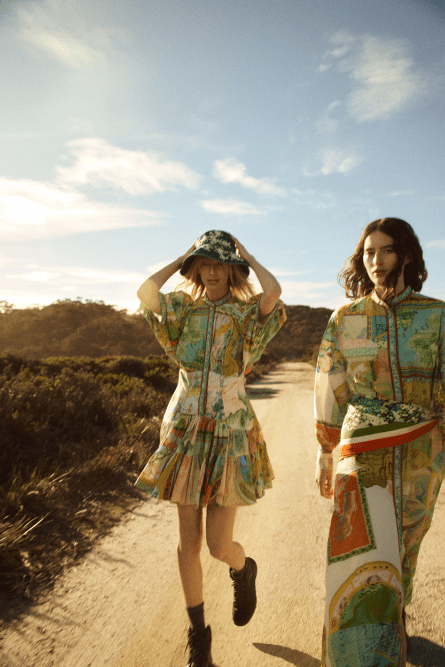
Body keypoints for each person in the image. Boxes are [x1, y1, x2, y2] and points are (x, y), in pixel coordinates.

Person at [135, 229, 286, 667]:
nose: (213, 271)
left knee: (219, 546)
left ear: (232, 269)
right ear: (196, 268)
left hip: (231, 432)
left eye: (220, 263)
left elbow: (273, 291)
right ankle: (198, 638)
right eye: (204, 263)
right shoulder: (183, 309)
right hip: (185, 431)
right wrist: (184, 255)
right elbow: (146, 292)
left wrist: (247, 254)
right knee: (189, 542)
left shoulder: (245, 314)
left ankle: (243, 569)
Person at [314, 218, 445, 667]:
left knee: (406, 545)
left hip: (421, 454)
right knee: (362, 548)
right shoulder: (345, 319)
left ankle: (395, 614)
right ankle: (364, 645)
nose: (376, 261)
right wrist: (324, 452)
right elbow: (330, 386)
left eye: (385, 251)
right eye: (368, 252)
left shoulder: (437, 316)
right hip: (362, 455)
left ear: (405, 255)